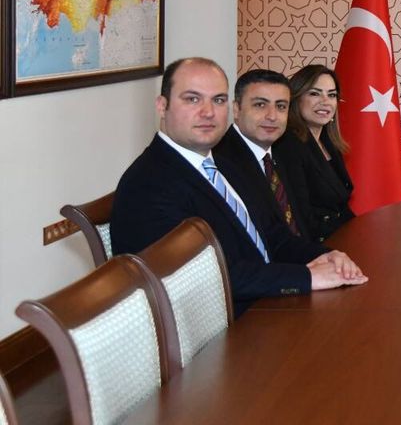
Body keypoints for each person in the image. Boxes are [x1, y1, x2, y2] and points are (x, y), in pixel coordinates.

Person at [111, 58, 367, 317]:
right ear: (162, 106)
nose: (208, 112)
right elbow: (197, 280)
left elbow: (274, 236)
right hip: (226, 325)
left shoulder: (227, 165)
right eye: (192, 99)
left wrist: (327, 257)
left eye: (218, 100)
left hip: (267, 303)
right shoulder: (147, 185)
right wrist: (305, 277)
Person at [213, 69, 315, 241]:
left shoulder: (287, 152)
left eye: (281, 106)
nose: (272, 116)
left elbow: (304, 221)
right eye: (260, 105)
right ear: (236, 109)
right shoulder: (219, 163)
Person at [286, 64, 356, 240]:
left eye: (331, 95)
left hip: (341, 236)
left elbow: (340, 206)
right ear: (296, 98)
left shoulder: (329, 143)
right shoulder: (289, 146)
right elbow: (302, 218)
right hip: (316, 244)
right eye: (314, 93)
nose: (325, 101)